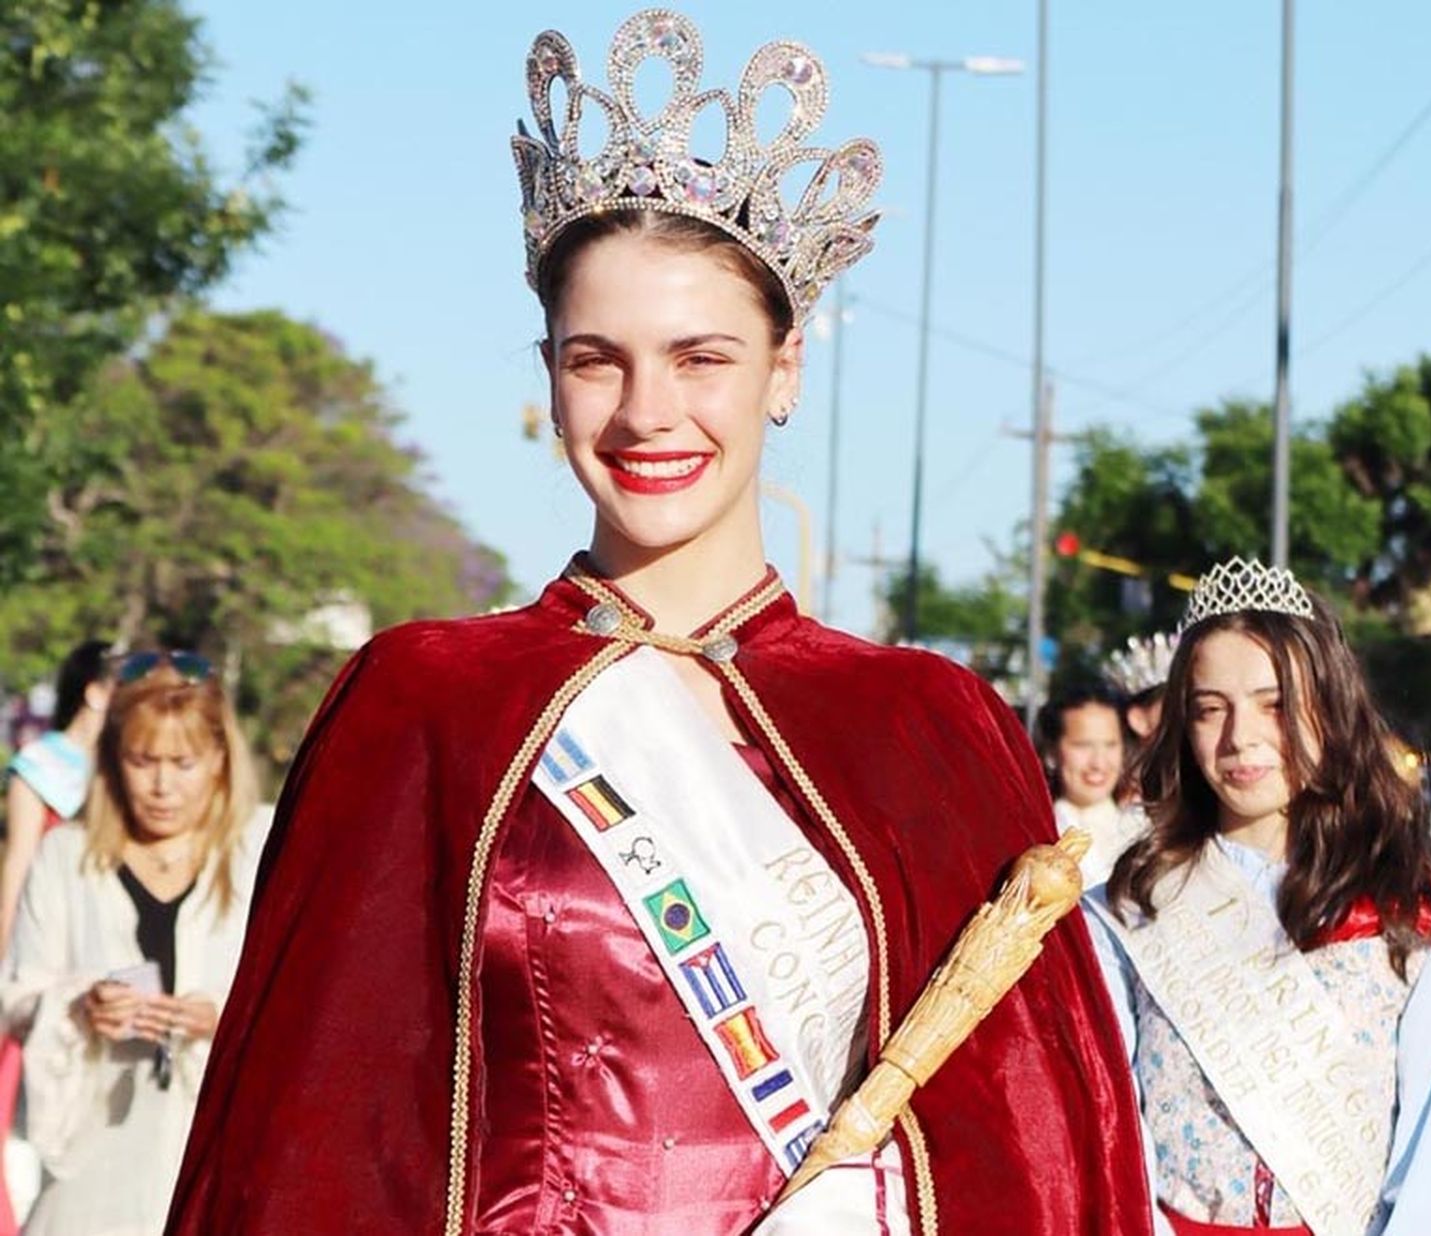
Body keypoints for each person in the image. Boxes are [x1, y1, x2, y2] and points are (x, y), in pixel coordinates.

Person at [166, 11, 1156, 1235]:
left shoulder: (925, 725)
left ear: (784, 371)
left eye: (701, 357)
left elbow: (1033, 1153)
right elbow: (310, 1137)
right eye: (598, 359)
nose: (647, 413)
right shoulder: (421, 700)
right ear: (548, 377)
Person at [1087, 558, 1431, 1235]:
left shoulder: (1411, 920)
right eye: (1209, 709)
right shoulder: (1126, 915)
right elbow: (1109, 1131)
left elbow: (1429, 1171)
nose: (1239, 737)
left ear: (1329, 710)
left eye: (1274, 704)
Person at [0, 651, 266, 1236]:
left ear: (220, 760)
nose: (163, 785)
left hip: (228, 1152)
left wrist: (220, 1019)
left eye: (183, 762)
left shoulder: (264, 848)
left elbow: (311, 997)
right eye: (143, 761)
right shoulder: (65, 856)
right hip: (94, 1163)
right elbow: (16, 997)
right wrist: (82, 1004)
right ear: (113, 762)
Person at [0, 640, 112, 1234]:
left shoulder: (127, 768)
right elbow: (17, 863)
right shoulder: (41, 766)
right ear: (94, 690)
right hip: (40, 949)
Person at [1036, 680, 1140, 886]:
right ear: (1051, 752)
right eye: (1082, 746)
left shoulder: (1145, 829)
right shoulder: (1039, 836)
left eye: (1110, 745)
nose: (1098, 763)